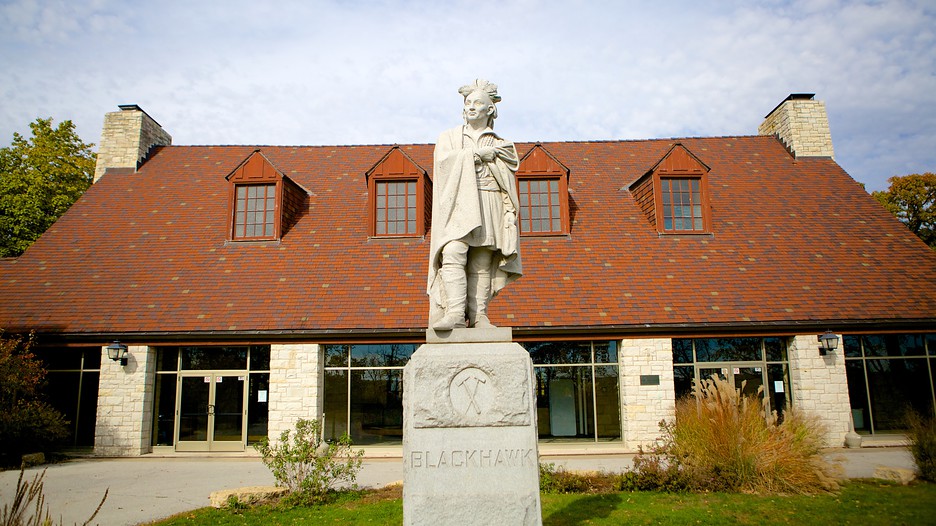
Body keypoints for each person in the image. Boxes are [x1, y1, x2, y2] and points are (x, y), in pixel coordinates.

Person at [427, 79, 522, 330]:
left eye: (478, 103)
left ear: (490, 110)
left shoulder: (502, 145)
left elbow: (507, 183)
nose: (471, 107)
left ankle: (479, 317)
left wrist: (510, 212)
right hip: (458, 201)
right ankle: (455, 314)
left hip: (490, 200)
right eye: (468, 103)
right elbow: (443, 165)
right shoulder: (449, 137)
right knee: (453, 252)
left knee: (481, 261)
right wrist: (477, 155)